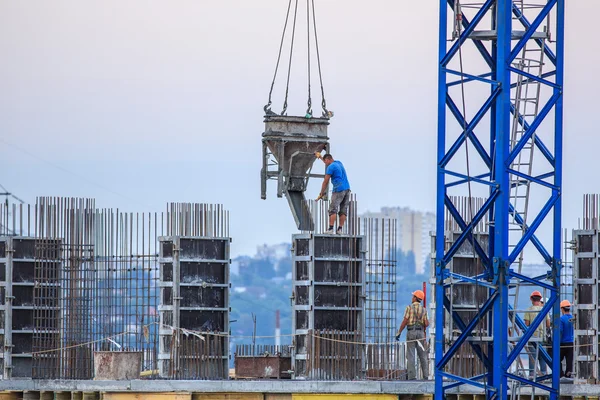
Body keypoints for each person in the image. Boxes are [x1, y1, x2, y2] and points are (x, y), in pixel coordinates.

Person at [395, 290, 429, 380]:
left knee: (411, 355)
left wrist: (399, 332)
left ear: (415, 298)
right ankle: (426, 376)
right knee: (422, 355)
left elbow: (405, 321)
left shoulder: (409, 308)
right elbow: (426, 323)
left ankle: (412, 377)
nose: (412, 297)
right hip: (421, 333)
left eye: (413, 296)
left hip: (411, 332)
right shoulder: (424, 309)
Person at [315, 153, 351, 234]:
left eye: (325, 162)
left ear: (328, 160)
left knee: (333, 209)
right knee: (343, 210)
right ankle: (340, 229)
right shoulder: (338, 163)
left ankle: (330, 229)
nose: (325, 164)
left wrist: (321, 193)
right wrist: (320, 157)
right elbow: (328, 163)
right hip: (347, 189)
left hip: (338, 190)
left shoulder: (330, 167)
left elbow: (326, 181)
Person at [524, 290, 551, 377]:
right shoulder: (544, 310)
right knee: (542, 356)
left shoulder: (528, 310)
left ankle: (532, 373)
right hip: (542, 336)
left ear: (531, 299)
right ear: (540, 299)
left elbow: (527, 324)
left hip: (532, 337)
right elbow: (548, 324)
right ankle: (543, 373)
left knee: (532, 356)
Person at [559, 300, 574, 378]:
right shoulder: (573, 318)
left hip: (562, 343)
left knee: (557, 359)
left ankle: (560, 374)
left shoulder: (561, 319)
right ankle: (568, 373)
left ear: (562, 309)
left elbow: (560, 331)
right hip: (571, 342)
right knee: (569, 360)